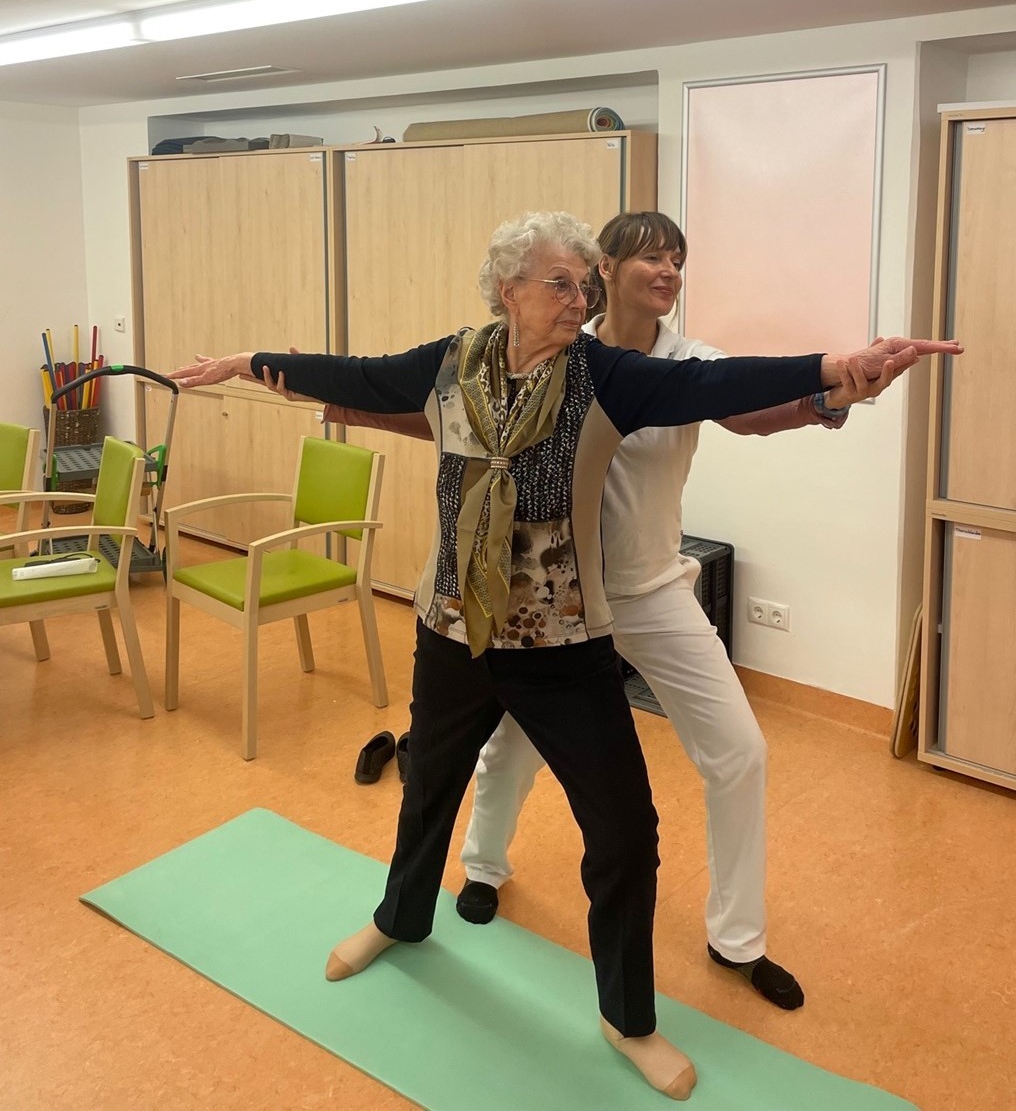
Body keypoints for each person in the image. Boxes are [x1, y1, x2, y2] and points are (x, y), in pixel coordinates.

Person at [168, 210, 957, 1101]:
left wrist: (834, 373)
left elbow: (722, 384)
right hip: (456, 625)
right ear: (508, 290)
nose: (578, 300)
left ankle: (628, 1019)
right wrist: (247, 363)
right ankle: (400, 918)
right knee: (431, 788)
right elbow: (359, 375)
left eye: (584, 285)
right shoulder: (453, 363)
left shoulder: (606, 375)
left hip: (567, 638)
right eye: (560, 283)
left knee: (624, 833)